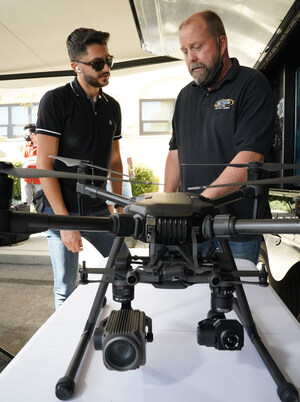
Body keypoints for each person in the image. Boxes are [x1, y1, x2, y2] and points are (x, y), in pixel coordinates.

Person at [164, 10, 276, 264]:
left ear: (221, 43)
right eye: (184, 51)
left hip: (238, 226)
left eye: (197, 47)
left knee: (237, 299)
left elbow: (250, 158)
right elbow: (175, 153)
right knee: (190, 298)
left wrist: (200, 203)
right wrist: (166, 204)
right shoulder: (184, 96)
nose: (191, 58)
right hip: (193, 228)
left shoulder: (252, 84)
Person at [36, 28, 127, 309]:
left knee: (123, 264)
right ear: (76, 66)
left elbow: (114, 160)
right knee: (66, 286)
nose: (106, 68)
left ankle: (118, 325)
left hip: (98, 207)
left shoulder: (113, 107)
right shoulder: (55, 100)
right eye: (98, 63)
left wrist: (119, 205)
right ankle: (69, 344)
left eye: (108, 60)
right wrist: (66, 223)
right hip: (60, 208)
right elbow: (45, 165)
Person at [106, 135, 135, 214]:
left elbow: (129, 157)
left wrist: (132, 169)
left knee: (127, 202)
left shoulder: (125, 141)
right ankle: (110, 223)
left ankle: (123, 221)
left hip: (124, 179)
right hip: (109, 180)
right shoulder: (107, 140)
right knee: (109, 203)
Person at [21, 124, 42, 206]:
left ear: (33, 134)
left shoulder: (42, 146)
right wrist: (35, 158)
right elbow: (23, 160)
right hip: (26, 178)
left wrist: (29, 162)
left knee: (40, 202)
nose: (26, 136)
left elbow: (41, 161)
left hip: (39, 179)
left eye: (27, 134)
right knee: (25, 202)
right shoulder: (27, 145)